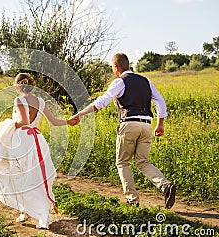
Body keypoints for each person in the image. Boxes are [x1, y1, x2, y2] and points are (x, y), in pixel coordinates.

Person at [72, 53, 176, 209]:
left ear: (116, 67)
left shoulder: (120, 82)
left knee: (122, 162)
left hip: (129, 125)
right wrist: (160, 124)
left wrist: (80, 114)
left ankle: (132, 200)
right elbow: (160, 101)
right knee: (143, 162)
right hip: (147, 125)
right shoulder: (145, 81)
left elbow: (102, 102)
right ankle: (165, 185)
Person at [0, 73, 79, 229]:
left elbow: (23, 121)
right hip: (37, 139)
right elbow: (53, 121)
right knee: (34, 176)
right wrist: (68, 121)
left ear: (17, 86)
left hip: (21, 140)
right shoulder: (41, 101)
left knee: (19, 175)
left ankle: (38, 212)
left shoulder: (19, 100)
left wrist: (8, 125)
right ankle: (26, 211)